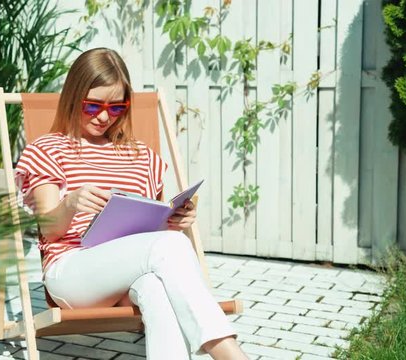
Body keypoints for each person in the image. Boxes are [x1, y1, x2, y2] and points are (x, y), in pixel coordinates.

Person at [15, 47, 248, 360]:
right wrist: (70, 203)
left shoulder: (141, 156)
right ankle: (231, 355)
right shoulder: (48, 149)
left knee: (157, 288)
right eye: (93, 105)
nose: (103, 116)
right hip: (73, 272)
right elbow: (47, 229)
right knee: (168, 246)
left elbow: (149, 227)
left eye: (115, 108)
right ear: (73, 96)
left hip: (131, 269)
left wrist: (176, 218)